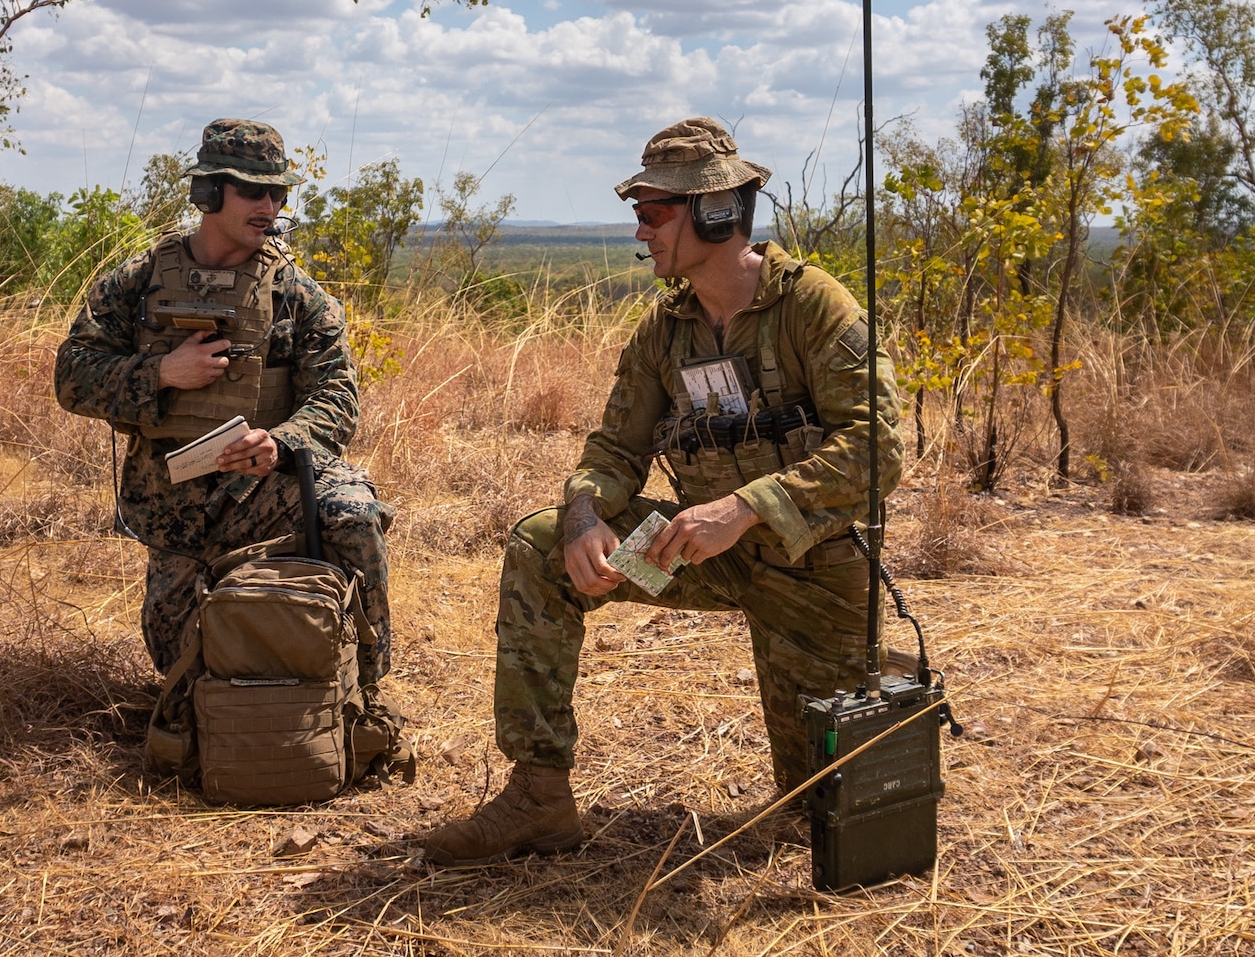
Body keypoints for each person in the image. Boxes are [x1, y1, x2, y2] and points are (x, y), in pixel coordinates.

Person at [419, 117, 903, 866]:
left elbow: (878, 449)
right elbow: (614, 450)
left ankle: (856, 704)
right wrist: (585, 516)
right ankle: (539, 797)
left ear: (715, 213)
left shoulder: (815, 307)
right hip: (699, 553)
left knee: (819, 820)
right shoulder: (664, 329)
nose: (640, 232)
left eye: (652, 214)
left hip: (815, 570)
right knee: (540, 545)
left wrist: (746, 508)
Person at [54, 118, 405, 751]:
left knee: (353, 511)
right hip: (175, 507)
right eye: (253, 192)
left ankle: (367, 694)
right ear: (209, 193)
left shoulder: (297, 295)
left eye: (278, 194)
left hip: (265, 492)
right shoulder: (136, 283)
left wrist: (283, 443)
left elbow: (338, 399)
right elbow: (71, 376)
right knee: (180, 665)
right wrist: (161, 371)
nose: (270, 207)